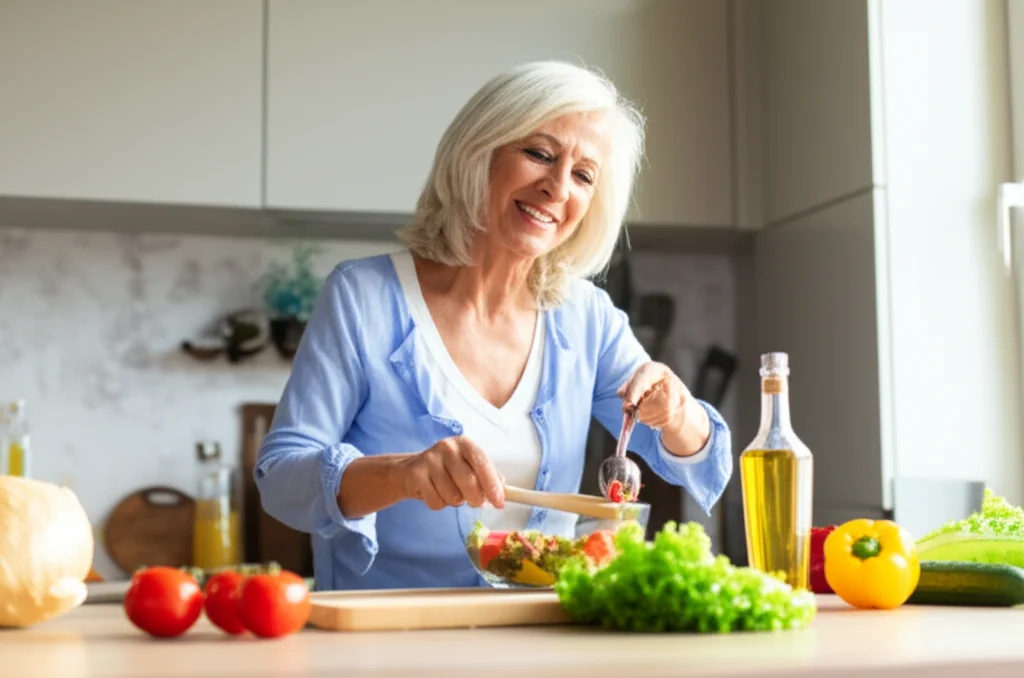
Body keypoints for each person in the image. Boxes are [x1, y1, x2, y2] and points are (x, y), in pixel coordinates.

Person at [255, 60, 733, 592]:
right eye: (539, 154)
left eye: (583, 175)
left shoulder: (585, 317)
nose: (557, 188)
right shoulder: (363, 297)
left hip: (542, 637)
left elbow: (702, 463)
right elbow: (281, 476)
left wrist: (677, 411)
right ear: (479, 152)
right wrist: (401, 475)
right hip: (387, 637)